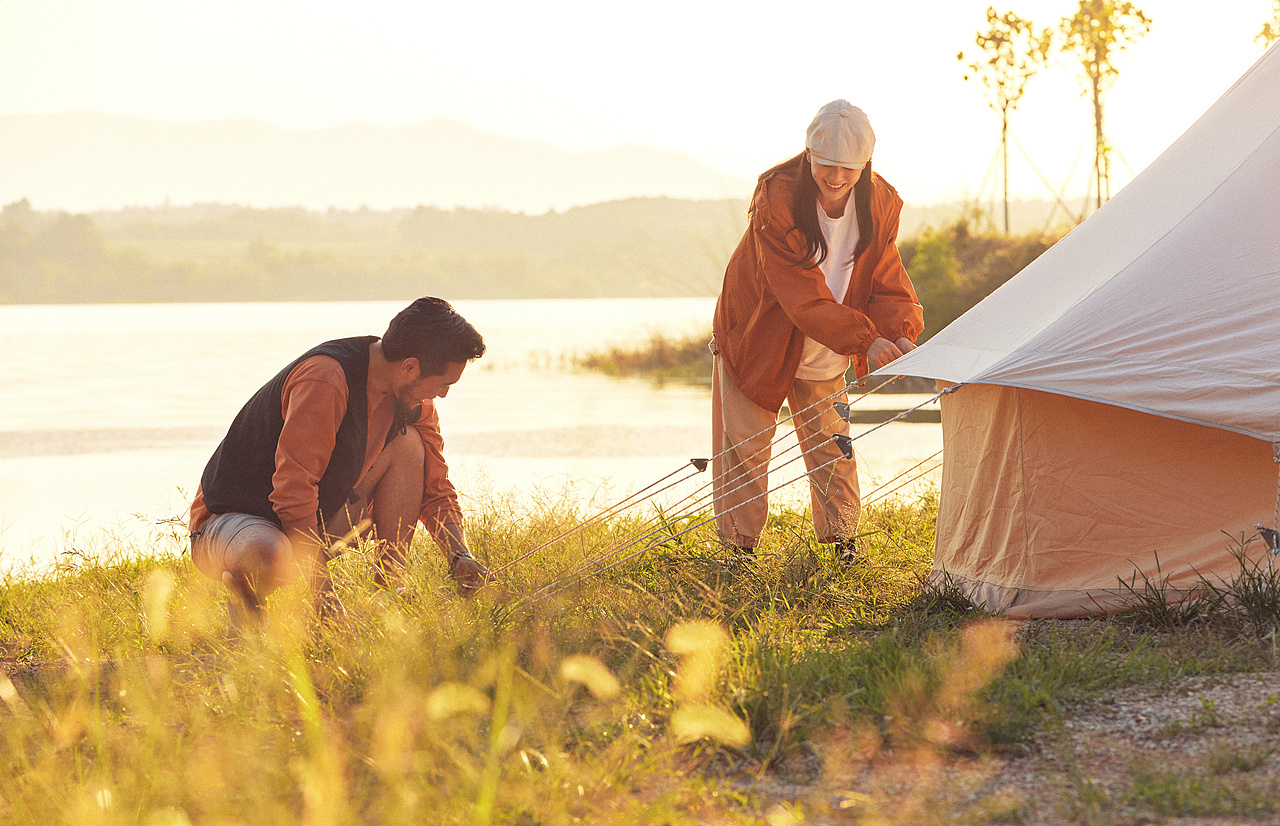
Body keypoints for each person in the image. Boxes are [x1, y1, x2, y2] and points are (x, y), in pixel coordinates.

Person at [188, 296, 490, 623]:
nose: (443, 394)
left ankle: (388, 593)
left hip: (308, 524)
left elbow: (436, 487)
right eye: (444, 384)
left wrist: (459, 555)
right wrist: (324, 596)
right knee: (268, 553)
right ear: (409, 367)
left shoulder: (412, 399)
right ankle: (246, 608)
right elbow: (292, 492)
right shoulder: (326, 379)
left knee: (410, 445)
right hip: (231, 524)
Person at [710, 100, 924, 560]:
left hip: (831, 339)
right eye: (827, 164)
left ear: (866, 164)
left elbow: (885, 276)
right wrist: (867, 340)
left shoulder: (880, 202)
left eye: (849, 168)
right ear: (808, 154)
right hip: (758, 334)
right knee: (746, 449)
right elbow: (799, 292)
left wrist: (899, 333)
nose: (836, 177)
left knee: (833, 444)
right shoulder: (777, 199)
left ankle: (843, 546)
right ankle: (738, 555)